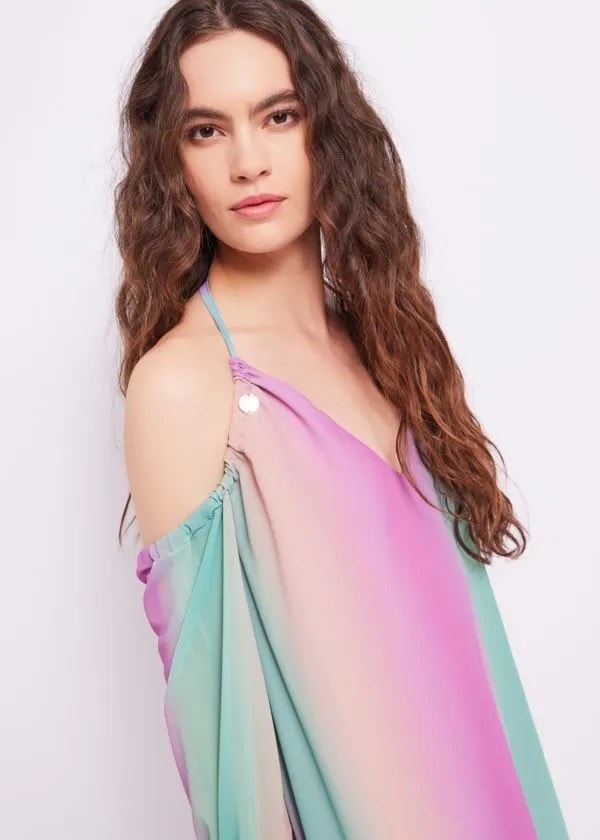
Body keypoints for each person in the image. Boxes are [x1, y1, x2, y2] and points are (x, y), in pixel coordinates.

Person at [115, 1, 568, 837]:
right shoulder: (186, 385)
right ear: (170, 161)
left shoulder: (387, 344)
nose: (249, 162)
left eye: (278, 116)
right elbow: (227, 766)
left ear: (328, 126)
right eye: (206, 131)